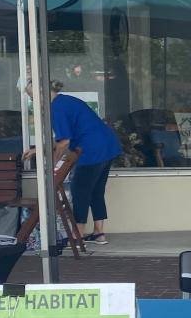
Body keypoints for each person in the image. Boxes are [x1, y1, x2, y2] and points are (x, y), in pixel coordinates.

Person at [24, 79, 121, 244]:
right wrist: (38, 149)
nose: (33, 102)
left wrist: (52, 164)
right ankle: (99, 233)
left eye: (32, 97)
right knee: (96, 191)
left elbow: (64, 142)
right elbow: (64, 136)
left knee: (79, 191)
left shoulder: (55, 109)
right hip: (108, 146)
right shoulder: (65, 101)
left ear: (42, 92)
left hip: (90, 151)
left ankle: (77, 235)